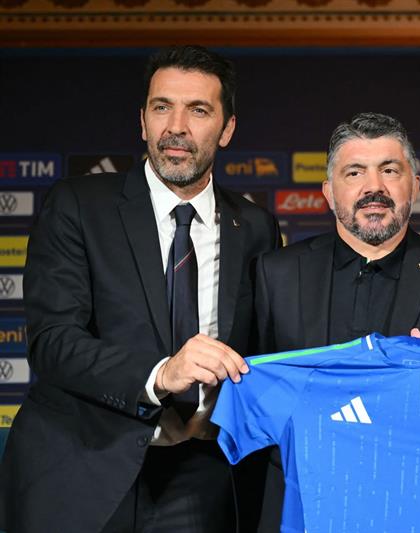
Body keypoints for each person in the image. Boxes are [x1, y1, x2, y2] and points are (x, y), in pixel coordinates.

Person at [0, 45, 281, 533]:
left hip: (201, 478)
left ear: (227, 128)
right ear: (143, 122)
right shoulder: (77, 205)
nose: (176, 126)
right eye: (161, 107)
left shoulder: (256, 226)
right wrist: (161, 374)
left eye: (198, 110)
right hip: (82, 466)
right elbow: (53, 342)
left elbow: (271, 349)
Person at [253, 112, 420, 530]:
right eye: (355, 172)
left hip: (417, 508)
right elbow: (254, 397)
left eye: (390, 170)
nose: (374, 187)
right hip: (301, 508)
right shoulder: (275, 273)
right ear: (329, 192)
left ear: (414, 186)